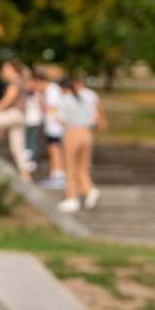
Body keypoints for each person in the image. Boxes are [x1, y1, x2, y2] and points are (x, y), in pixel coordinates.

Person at [56, 78, 102, 212]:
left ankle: (72, 198)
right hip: (87, 132)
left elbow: (63, 121)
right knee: (82, 166)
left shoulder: (65, 100)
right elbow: (95, 117)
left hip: (73, 132)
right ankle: (90, 190)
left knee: (70, 166)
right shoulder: (85, 99)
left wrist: (52, 113)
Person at [40, 75, 67, 188]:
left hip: (55, 127)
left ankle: (58, 173)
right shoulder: (50, 90)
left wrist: (41, 101)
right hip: (52, 126)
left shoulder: (52, 90)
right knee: (53, 148)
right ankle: (56, 173)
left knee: (55, 148)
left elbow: (54, 107)